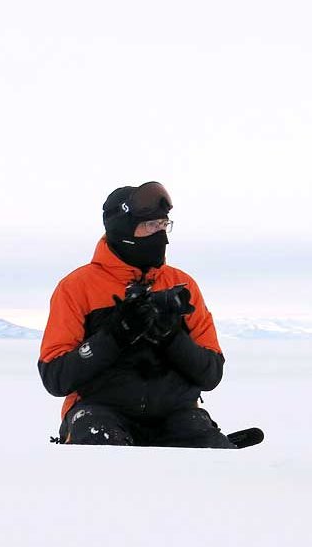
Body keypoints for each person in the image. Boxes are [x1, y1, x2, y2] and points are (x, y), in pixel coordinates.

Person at [38, 181, 235, 448]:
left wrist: (170, 337)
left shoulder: (183, 285)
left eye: (164, 225)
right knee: (97, 437)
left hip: (176, 415)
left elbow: (211, 374)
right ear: (123, 229)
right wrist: (115, 335)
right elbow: (56, 377)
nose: (161, 235)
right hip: (100, 412)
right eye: (150, 226)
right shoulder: (76, 288)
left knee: (217, 459)